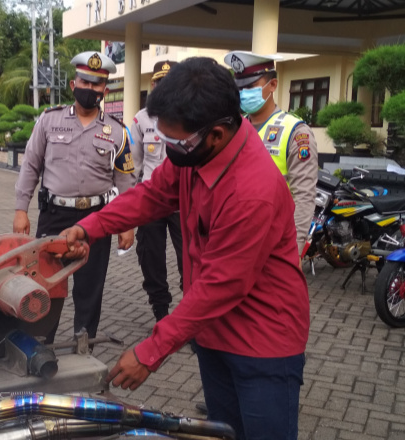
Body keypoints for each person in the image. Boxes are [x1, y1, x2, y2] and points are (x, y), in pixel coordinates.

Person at [57, 57, 310, 440]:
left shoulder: (251, 191)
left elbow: (221, 285)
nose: (168, 147)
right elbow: (151, 196)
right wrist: (89, 227)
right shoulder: (193, 152)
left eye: (176, 141)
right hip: (211, 333)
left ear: (217, 134)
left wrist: (151, 351)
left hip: (262, 343)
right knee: (224, 432)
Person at [13, 51, 136, 342]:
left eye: (97, 85)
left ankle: (84, 342)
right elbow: (31, 165)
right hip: (54, 214)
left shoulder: (117, 131)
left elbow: (126, 180)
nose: (90, 89)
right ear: (72, 84)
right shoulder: (49, 121)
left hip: (97, 218)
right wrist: (21, 209)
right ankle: (41, 340)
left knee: (90, 287)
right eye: (85, 82)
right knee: (45, 282)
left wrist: (128, 224)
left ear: (105, 91)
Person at [224, 51, 318, 254]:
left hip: (275, 241)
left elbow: (304, 196)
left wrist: (295, 248)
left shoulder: (296, 132)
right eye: (239, 88)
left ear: (273, 85)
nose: (243, 93)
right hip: (237, 238)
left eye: (250, 87)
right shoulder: (234, 128)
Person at [129, 60, 183, 322]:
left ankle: (190, 321)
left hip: (185, 201)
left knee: (192, 260)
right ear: (153, 85)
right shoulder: (141, 119)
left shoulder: (192, 116)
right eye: (160, 82)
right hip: (152, 200)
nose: (165, 88)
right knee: (151, 259)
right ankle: (161, 314)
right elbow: (133, 167)